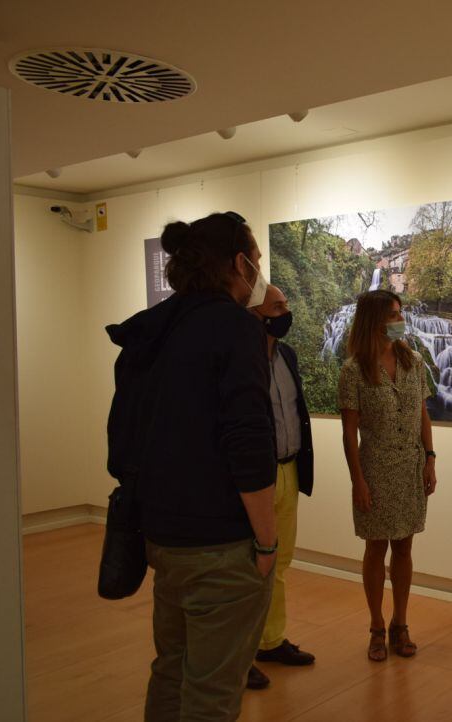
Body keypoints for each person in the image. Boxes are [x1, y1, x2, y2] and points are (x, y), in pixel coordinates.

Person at [107, 211, 278, 722]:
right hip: (221, 547)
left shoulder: (155, 328)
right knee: (212, 693)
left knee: (171, 670)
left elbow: (122, 435)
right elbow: (248, 443)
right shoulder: (234, 330)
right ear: (236, 264)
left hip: (162, 537)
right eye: (257, 263)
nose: (259, 275)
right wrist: (267, 541)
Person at [338, 290, 438, 662]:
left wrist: (430, 458)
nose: (400, 319)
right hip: (376, 470)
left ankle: (401, 623)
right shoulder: (354, 370)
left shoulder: (414, 363)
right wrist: (358, 481)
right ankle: (377, 627)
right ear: (374, 321)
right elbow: (349, 434)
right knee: (376, 546)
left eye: (401, 312)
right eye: (394, 314)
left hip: (410, 467)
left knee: (405, 547)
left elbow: (423, 416)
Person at [246, 284, 316, 690]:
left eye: (287, 304)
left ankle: (270, 642)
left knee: (281, 561)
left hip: (288, 470)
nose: (286, 312)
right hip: (258, 477)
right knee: (250, 565)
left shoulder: (287, 355)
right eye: (278, 306)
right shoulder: (241, 359)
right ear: (256, 313)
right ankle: (240, 652)